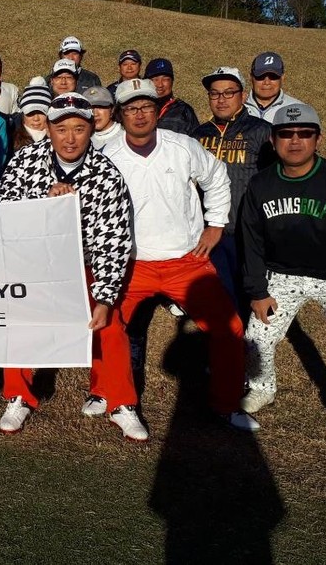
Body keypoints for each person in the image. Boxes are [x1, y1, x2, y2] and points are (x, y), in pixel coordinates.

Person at [100, 78, 258, 431]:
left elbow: (217, 177)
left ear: (157, 111)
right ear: (120, 114)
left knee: (230, 327)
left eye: (146, 107)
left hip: (185, 261)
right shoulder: (108, 155)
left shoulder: (182, 146)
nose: (140, 115)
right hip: (132, 262)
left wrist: (216, 224)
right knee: (107, 324)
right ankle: (115, 400)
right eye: (131, 108)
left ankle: (227, 404)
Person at [0, 93, 143, 439]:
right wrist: (46, 206)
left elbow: (113, 240)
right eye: (61, 129)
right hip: (35, 263)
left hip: (84, 264)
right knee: (20, 322)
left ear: (92, 129)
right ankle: (19, 396)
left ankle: (120, 401)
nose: (70, 138)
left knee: (111, 325)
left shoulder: (107, 174)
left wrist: (104, 297)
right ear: (48, 129)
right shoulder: (25, 160)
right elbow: (4, 210)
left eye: (79, 128)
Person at [240, 103, 326, 455]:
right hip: (281, 275)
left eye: (305, 133)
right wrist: (258, 291)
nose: (295, 141)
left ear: (319, 139)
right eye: (286, 134)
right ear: (273, 140)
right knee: (257, 335)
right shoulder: (261, 184)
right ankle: (262, 388)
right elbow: (251, 242)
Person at [192, 67, 273, 319]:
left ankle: (252, 341)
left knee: (251, 296)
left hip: (248, 231)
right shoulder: (199, 134)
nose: (221, 99)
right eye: (214, 93)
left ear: (243, 95)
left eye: (229, 92)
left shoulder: (262, 131)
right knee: (220, 297)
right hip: (209, 232)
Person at [244, 51, 302, 123]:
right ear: (251, 77)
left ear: (282, 78)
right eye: (260, 76)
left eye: (273, 76)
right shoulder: (237, 106)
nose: (267, 82)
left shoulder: (299, 110)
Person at [145, 58, 198, 135]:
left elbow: (195, 140)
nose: (160, 85)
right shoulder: (137, 109)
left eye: (165, 79)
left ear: (172, 82)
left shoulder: (184, 111)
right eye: (155, 79)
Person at [9, 77, 51, 154]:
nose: (36, 118)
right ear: (23, 113)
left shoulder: (57, 136)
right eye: (30, 113)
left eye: (41, 113)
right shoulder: (10, 133)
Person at [84, 85, 122, 149]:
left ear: (112, 110)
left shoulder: (128, 136)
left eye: (100, 107)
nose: (95, 113)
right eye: (90, 108)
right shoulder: (83, 138)